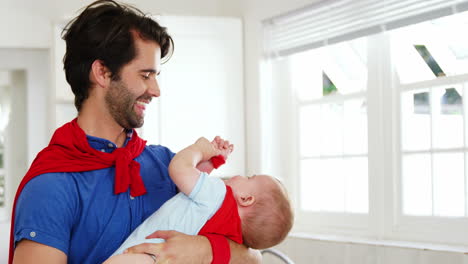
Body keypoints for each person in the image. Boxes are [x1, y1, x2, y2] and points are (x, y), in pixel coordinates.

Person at [9, 0, 260, 263]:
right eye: (145, 75)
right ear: (103, 73)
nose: (156, 90)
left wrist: (204, 249)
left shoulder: (168, 165)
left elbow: (254, 257)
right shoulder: (51, 187)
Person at [104, 136, 294, 263]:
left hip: (147, 254)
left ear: (245, 199)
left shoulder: (220, 193)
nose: (244, 175)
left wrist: (199, 149)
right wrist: (212, 163)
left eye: (250, 177)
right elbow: (193, 197)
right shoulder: (230, 236)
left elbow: (179, 169)